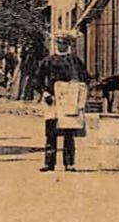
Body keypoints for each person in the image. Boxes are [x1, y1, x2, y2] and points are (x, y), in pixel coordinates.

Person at [37, 30, 89, 172]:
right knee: (51, 132)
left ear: (68, 44)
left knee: (68, 133)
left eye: (64, 43)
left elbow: (85, 78)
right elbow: (38, 79)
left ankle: (69, 163)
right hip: (52, 100)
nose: (61, 45)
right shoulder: (48, 61)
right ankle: (49, 163)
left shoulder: (75, 61)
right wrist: (45, 92)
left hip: (69, 100)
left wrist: (76, 86)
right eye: (58, 42)